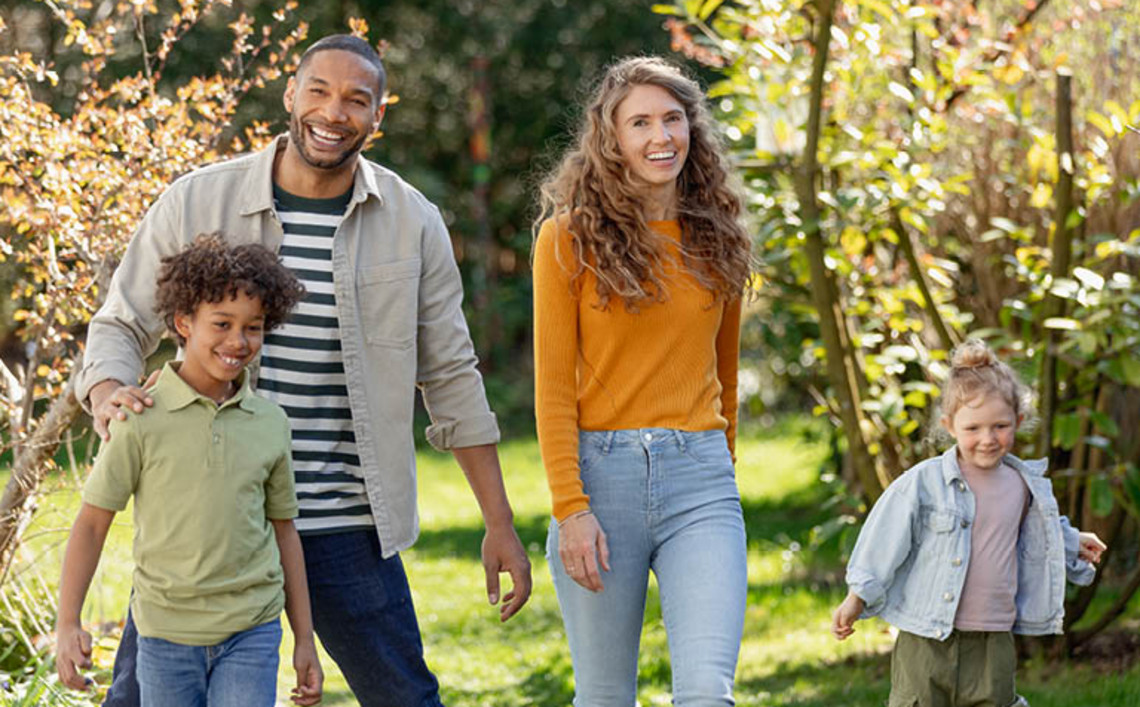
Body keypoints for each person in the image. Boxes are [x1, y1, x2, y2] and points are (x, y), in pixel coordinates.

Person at [72, 34, 531, 707]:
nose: (333, 111)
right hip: (212, 530)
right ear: (290, 95)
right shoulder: (198, 201)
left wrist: (499, 521)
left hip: (349, 524)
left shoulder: (413, 223)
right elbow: (119, 323)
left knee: (406, 697)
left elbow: (453, 376)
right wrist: (109, 391)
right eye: (318, 90)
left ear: (379, 116)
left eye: (356, 99)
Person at [532, 56, 753, 706]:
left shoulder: (719, 239)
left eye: (673, 119)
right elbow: (551, 388)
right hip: (602, 484)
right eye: (641, 123)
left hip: (702, 482)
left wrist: (721, 466)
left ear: (692, 128)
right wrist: (571, 509)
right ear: (611, 138)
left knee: (707, 692)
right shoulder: (566, 240)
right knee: (604, 697)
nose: (661, 137)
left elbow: (727, 375)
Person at [56, 235, 320, 706]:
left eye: (253, 327)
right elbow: (93, 524)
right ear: (183, 322)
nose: (238, 342)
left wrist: (304, 639)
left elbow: (285, 533)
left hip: (251, 630)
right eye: (222, 323)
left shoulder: (270, 423)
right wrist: (68, 621)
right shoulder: (138, 418)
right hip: (165, 637)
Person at [831, 339, 1108, 707]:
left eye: (1000, 426)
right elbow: (885, 537)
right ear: (949, 425)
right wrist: (857, 596)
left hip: (993, 638)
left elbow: (1038, 531)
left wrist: (1072, 541)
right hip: (927, 637)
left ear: (1018, 422)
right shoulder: (925, 483)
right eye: (973, 428)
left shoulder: (1023, 485)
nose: (988, 439)